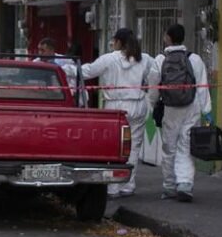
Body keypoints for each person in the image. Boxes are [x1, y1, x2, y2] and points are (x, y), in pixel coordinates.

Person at [63, 28, 155, 198]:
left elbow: (87, 71)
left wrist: (63, 68)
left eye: (114, 40)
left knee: (115, 148)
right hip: (138, 105)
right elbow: (154, 76)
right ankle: (128, 186)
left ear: (119, 42)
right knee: (133, 148)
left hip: (116, 107)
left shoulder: (109, 59)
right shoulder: (146, 59)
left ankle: (113, 188)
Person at [149, 23, 211, 202]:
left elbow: (153, 88)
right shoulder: (195, 59)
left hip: (170, 109)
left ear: (168, 37)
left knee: (170, 147)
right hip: (192, 108)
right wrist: (207, 111)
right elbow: (202, 87)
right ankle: (185, 184)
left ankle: (169, 186)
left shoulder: (160, 60)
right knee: (186, 145)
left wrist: (151, 104)